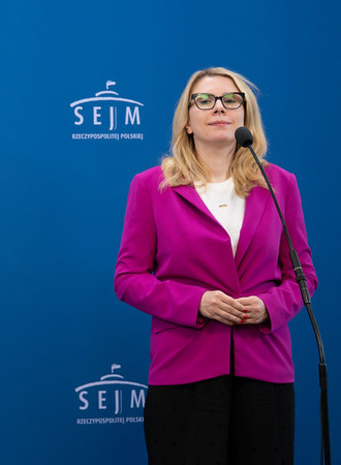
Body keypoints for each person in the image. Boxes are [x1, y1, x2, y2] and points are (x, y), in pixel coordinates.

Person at [114, 67, 317, 465]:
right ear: (187, 121)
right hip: (184, 368)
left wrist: (270, 307)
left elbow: (302, 275)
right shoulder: (151, 186)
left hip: (265, 367)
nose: (219, 108)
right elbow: (128, 279)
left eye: (231, 100)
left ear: (246, 116)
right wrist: (197, 303)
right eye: (204, 100)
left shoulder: (281, 184)